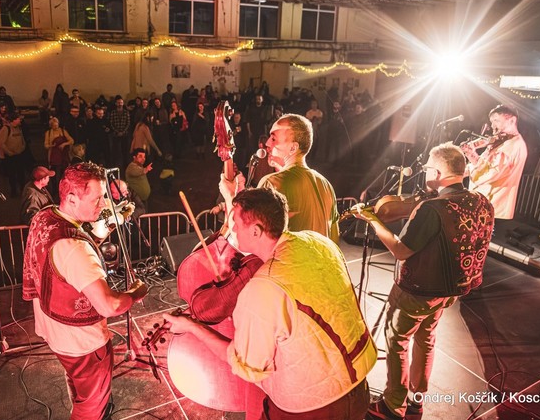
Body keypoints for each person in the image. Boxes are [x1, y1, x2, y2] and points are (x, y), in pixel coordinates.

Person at [164, 187, 376, 420]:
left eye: (236, 223)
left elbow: (247, 366)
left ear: (256, 231)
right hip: (359, 385)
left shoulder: (263, 287)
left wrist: (192, 326)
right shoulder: (319, 242)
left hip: (313, 407)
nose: (232, 229)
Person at [353, 142, 494, 420]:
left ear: (438, 173)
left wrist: (372, 221)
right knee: (426, 339)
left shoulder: (433, 208)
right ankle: (417, 400)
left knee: (397, 340)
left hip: (418, 291)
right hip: (450, 290)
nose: (425, 172)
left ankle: (393, 405)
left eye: (428, 168)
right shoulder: (480, 200)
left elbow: (401, 250)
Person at [22, 162, 148, 420]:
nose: (103, 204)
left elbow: (69, 252)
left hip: (52, 327)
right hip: (82, 342)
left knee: (78, 387)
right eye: (97, 198)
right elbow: (109, 305)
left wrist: (110, 224)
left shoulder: (45, 216)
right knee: (91, 405)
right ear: (71, 198)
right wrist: (136, 292)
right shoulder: (74, 248)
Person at [258, 113, 339, 242]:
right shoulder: (326, 185)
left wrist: (230, 195)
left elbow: (255, 240)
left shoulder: (272, 183)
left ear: (293, 148)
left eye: (273, 139)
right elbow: (334, 241)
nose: (267, 143)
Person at [463, 104, 528, 219]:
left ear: (512, 120)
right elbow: (481, 164)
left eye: (496, 121)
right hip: (483, 206)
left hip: (492, 209)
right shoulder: (501, 142)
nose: (492, 126)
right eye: (491, 121)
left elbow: (488, 174)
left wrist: (471, 156)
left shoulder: (513, 146)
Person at [0, 113, 27, 197]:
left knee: (21, 174)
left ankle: (22, 190)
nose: (20, 120)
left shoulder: (19, 128)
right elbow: (0, 143)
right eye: (18, 119)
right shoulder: (6, 129)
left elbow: (22, 139)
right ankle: (13, 191)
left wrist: (23, 147)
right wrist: (9, 152)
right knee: (12, 174)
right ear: (13, 120)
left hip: (19, 155)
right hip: (11, 156)